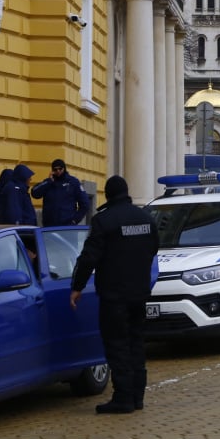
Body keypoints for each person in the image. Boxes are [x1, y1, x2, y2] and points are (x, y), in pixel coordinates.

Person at [70, 175, 159, 414]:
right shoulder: (146, 219)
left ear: (107, 195)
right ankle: (137, 397)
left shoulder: (104, 221)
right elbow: (153, 249)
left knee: (117, 345)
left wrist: (77, 287)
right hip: (139, 293)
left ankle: (123, 398)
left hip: (114, 295)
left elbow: (89, 257)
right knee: (136, 344)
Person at [31, 159, 91, 226]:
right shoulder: (48, 183)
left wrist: (75, 220)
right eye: (55, 170)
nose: (58, 171)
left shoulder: (73, 182)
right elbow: (34, 193)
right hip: (50, 226)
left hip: (68, 226)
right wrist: (48, 181)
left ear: (64, 168)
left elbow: (85, 204)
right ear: (52, 170)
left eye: (60, 169)